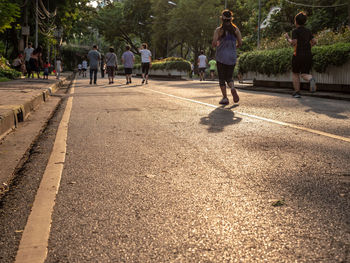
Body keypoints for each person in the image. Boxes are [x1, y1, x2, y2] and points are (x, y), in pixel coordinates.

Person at [212, 9, 242, 105]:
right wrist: (234, 47)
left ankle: (225, 98)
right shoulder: (236, 30)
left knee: (222, 78)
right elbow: (240, 43)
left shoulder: (219, 30)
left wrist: (217, 44)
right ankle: (232, 88)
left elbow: (213, 43)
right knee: (229, 77)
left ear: (222, 19)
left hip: (221, 57)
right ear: (231, 19)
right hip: (232, 57)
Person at [285, 11, 317, 98]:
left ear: (296, 21)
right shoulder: (308, 31)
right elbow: (314, 41)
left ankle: (297, 92)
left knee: (295, 73)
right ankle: (311, 79)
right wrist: (308, 46)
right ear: (305, 21)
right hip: (308, 55)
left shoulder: (295, 31)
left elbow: (294, 43)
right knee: (304, 73)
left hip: (298, 55)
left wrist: (288, 38)